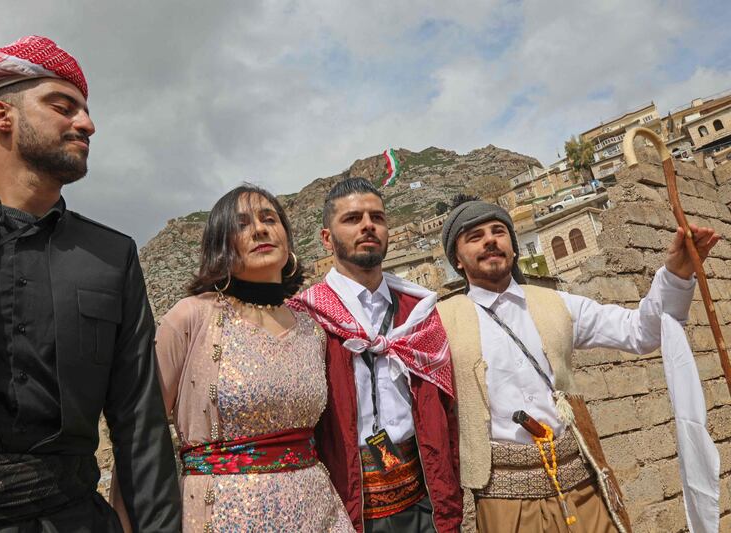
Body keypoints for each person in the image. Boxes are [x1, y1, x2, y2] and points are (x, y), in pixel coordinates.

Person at [0, 36, 180, 532]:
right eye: (62, 107)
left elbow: (139, 426)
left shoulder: (113, 256)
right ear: (2, 116)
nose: (87, 124)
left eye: (84, 112)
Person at [436, 194, 719, 532]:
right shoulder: (440, 321)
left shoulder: (557, 304)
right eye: (475, 237)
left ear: (513, 246)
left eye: (498, 231)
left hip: (582, 489)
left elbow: (641, 331)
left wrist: (676, 274)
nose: (490, 242)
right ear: (457, 259)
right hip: (504, 503)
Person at [135, 184, 355, 532]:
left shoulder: (312, 330)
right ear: (220, 245)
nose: (260, 229)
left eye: (270, 219)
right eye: (241, 224)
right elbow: (141, 432)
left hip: (318, 512)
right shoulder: (191, 318)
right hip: (225, 517)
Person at [291, 177, 463, 532]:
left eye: (377, 217)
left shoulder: (419, 313)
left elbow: (445, 408)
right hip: (349, 505)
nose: (368, 225)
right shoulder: (306, 319)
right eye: (353, 218)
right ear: (327, 239)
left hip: (424, 498)